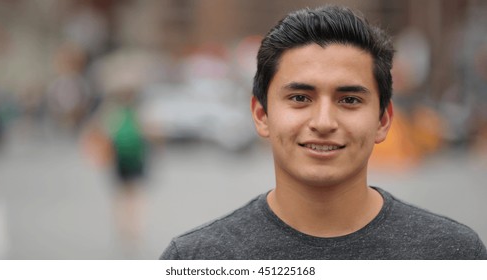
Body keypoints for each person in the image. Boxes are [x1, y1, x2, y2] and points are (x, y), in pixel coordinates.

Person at [160, 5, 487, 260]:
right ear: (261, 115)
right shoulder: (199, 259)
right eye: (300, 98)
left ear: (383, 120)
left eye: (349, 100)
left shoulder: (452, 254)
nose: (324, 121)